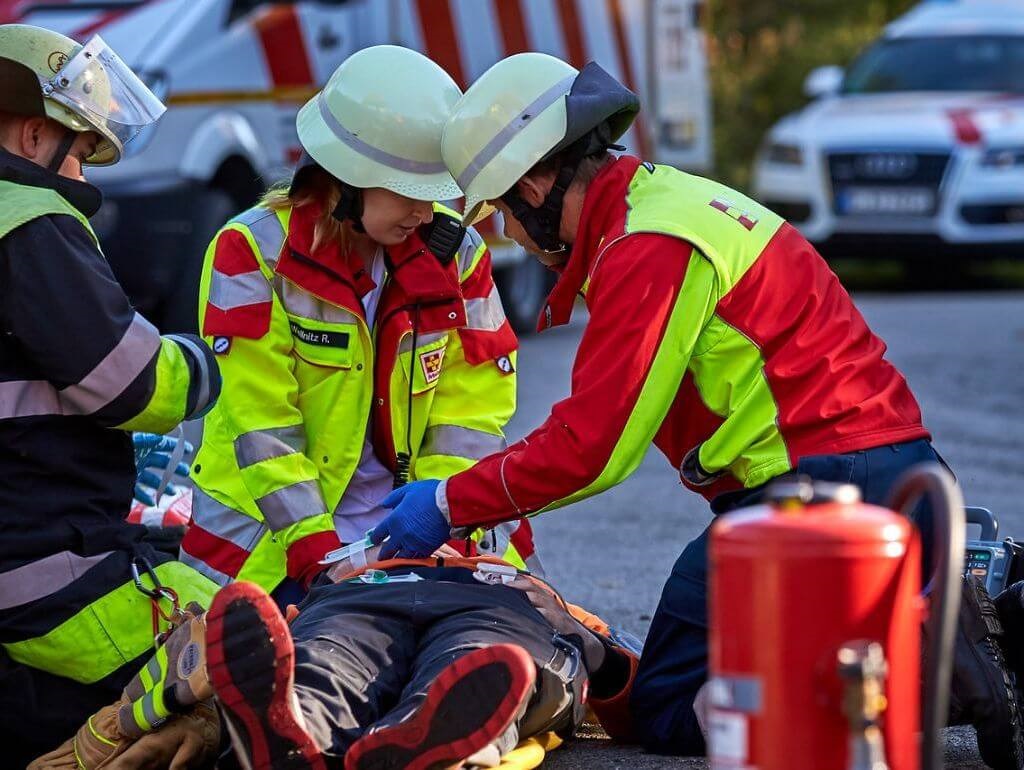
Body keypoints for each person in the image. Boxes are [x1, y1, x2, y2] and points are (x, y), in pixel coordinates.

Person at [368, 52, 1021, 763]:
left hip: (813, 501)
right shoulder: (667, 203)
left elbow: (594, 445)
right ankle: (978, 614)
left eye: (502, 216)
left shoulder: (647, 247)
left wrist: (450, 503)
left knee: (675, 704)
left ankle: (937, 653)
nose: (511, 238)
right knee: (694, 681)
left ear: (533, 186)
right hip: (892, 478)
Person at [180, 45, 537, 607]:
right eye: (409, 192)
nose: (427, 212)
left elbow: (471, 409)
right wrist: (314, 549)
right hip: (274, 544)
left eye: (437, 191)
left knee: (523, 639)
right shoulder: (253, 251)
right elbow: (261, 418)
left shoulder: (456, 253)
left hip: (415, 530)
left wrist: (445, 512)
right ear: (346, 178)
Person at [0, 23, 221, 764]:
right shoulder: (29, 223)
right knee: (245, 649)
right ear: (34, 134)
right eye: (84, 156)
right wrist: (199, 360)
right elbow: (135, 386)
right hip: (42, 579)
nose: (87, 181)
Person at [31, 551, 639, 770]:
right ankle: (333, 730)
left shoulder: (536, 590)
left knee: (347, 660)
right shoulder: (535, 587)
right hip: (386, 595)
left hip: (391, 597)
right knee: (333, 658)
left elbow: (622, 680)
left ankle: (323, 728)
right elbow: (630, 687)